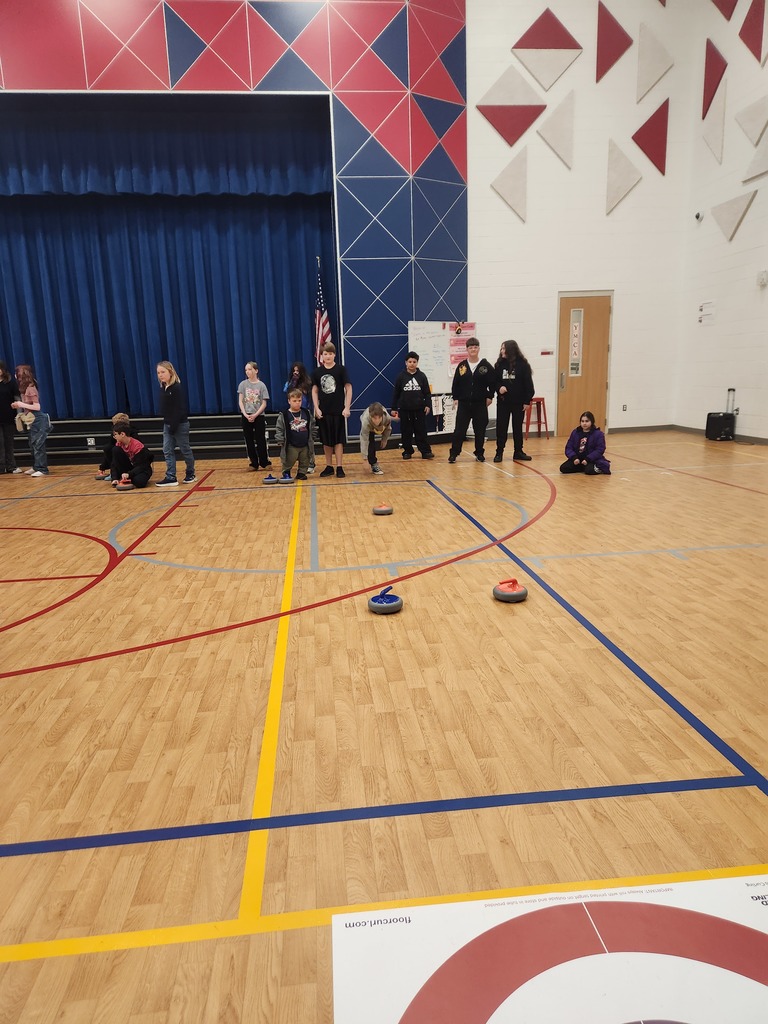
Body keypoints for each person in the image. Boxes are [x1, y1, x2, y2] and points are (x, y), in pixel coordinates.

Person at [448, 337, 496, 463]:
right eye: (470, 347)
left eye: (475, 347)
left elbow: (493, 383)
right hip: (464, 404)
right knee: (459, 430)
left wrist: (490, 396)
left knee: (479, 430)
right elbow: (456, 383)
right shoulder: (462, 366)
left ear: (479, 349)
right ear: (467, 349)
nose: (473, 349)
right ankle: (454, 453)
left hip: (480, 404)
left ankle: (479, 453)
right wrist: (456, 398)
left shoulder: (485, 366)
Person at [311, 342, 352, 478]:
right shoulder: (317, 372)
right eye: (325, 354)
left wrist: (347, 407)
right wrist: (316, 408)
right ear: (321, 356)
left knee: (338, 440)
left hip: (338, 411)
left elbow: (348, 388)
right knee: (326, 441)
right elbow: (315, 391)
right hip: (324, 412)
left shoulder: (341, 370)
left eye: (330, 353)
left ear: (334, 355)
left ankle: (339, 466)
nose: (327, 356)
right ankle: (329, 466)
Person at [155, 360, 195, 487]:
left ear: (170, 372)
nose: (160, 375)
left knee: (185, 450)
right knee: (167, 450)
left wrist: (174, 425)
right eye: (158, 372)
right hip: (167, 424)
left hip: (180, 424)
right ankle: (171, 476)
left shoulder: (176, 387)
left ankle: (190, 473)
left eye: (163, 372)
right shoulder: (163, 387)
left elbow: (179, 409)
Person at [494, 339, 534, 463]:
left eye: (503, 348)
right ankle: (499, 452)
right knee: (501, 427)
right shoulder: (499, 364)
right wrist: (499, 388)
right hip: (503, 402)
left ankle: (518, 451)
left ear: (510, 350)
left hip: (518, 402)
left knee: (517, 427)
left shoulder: (523, 365)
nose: (501, 351)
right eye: (501, 349)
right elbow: (494, 381)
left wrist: (527, 401)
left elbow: (529, 385)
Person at [391, 351, 434, 460]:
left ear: (417, 363)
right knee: (406, 432)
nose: (412, 364)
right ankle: (407, 451)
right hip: (405, 410)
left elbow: (427, 393)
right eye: (410, 361)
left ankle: (425, 451)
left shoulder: (422, 376)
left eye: (414, 362)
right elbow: (396, 393)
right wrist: (394, 408)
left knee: (421, 432)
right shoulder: (401, 377)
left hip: (419, 410)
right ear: (406, 363)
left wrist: (428, 405)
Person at [11, 365, 50, 477]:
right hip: (31, 419)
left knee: (38, 445)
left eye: (17, 373)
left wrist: (20, 404)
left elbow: (37, 406)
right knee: (32, 444)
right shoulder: (24, 389)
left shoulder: (31, 388)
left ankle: (43, 469)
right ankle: (36, 466)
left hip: (38, 418)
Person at [238, 361, 271, 470]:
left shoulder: (261, 385)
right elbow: (241, 401)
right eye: (246, 370)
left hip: (259, 416)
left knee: (261, 439)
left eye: (250, 369)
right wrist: (245, 414)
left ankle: (264, 462)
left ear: (256, 370)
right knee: (249, 440)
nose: (248, 372)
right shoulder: (243, 384)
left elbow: (264, 403)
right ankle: (253, 463)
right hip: (246, 416)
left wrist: (256, 414)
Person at [275, 388, 313, 481]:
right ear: (289, 401)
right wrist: (280, 439)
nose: (297, 403)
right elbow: (279, 428)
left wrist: (312, 436)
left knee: (305, 459)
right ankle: (286, 472)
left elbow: (313, 425)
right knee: (289, 459)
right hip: (291, 444)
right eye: (294, 401)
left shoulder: (306, 413)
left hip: (305, 443)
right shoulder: (284, 415)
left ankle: (301, 473)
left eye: (299, 400)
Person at [284, 362, 315, 472]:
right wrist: (293, 381)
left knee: (308, 438)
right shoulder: (290, 382)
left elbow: (309, 393)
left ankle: (311, 463)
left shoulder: (307, 382)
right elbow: (286, 391)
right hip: (294, 413)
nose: (296, 373)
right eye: (294, 370)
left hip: (305, 411)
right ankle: (291, 463)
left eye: (298, 371)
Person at [110, 421, 154, 490]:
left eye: (115, 434)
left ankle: (129, 478)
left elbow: (142, 466)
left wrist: (129, 474)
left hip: (142, 468)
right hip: (131, 468)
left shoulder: (137, 446)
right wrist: (114, 478)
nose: (114, 437)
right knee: (115, 450)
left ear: (122, 434)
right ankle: (126, 477)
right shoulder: (119, 445)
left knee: (139, 482)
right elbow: (114, 463)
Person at [95, 412, 134, 481]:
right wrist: (102, 467)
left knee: (116, 450)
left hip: (129, 460)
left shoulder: (133, 435)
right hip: (117, 459)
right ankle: (114, 472)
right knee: (109, 448)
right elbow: (109, 451)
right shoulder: (114, 435)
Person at [0, 361, 21, 474]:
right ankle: (1, 467)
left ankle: (11, 466)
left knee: (9, 443)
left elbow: (17, 398)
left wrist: (19, 414)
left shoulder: (10, 382)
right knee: (0, 443)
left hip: (9, 417)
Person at [359, 402, 391, 475]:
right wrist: (365, 459)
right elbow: (364, 440)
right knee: (371, 444)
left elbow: (388, 429)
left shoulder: (387, 418)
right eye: (374, 418)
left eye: (378, 418)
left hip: (382, 426)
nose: (376, 420)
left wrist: (384, 439)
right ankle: (374, 464)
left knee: (385, 432)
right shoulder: (365, 421)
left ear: (382, 416)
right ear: (370, 416)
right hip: (369, 427)